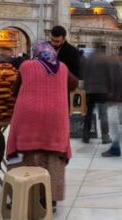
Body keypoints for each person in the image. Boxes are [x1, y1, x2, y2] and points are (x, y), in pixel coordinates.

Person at [6, 41, 77, 211]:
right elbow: (74, 84)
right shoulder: (63, 67)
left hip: (28, 118)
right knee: (53, 157)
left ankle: (21, 196)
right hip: (56, 118)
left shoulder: (26, 66)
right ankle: (49, 200)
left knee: (26, 154)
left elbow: (15, 90)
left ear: (35, 53)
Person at [82, 44, 111, 144]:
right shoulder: (105, 59)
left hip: (90, 90)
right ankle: (105, 136)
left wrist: (85, 88)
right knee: (103, 114)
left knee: (88, 113)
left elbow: (85, 74)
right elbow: (109, 75)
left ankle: (86, 135)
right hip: (102, 90)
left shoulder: (89, 58)